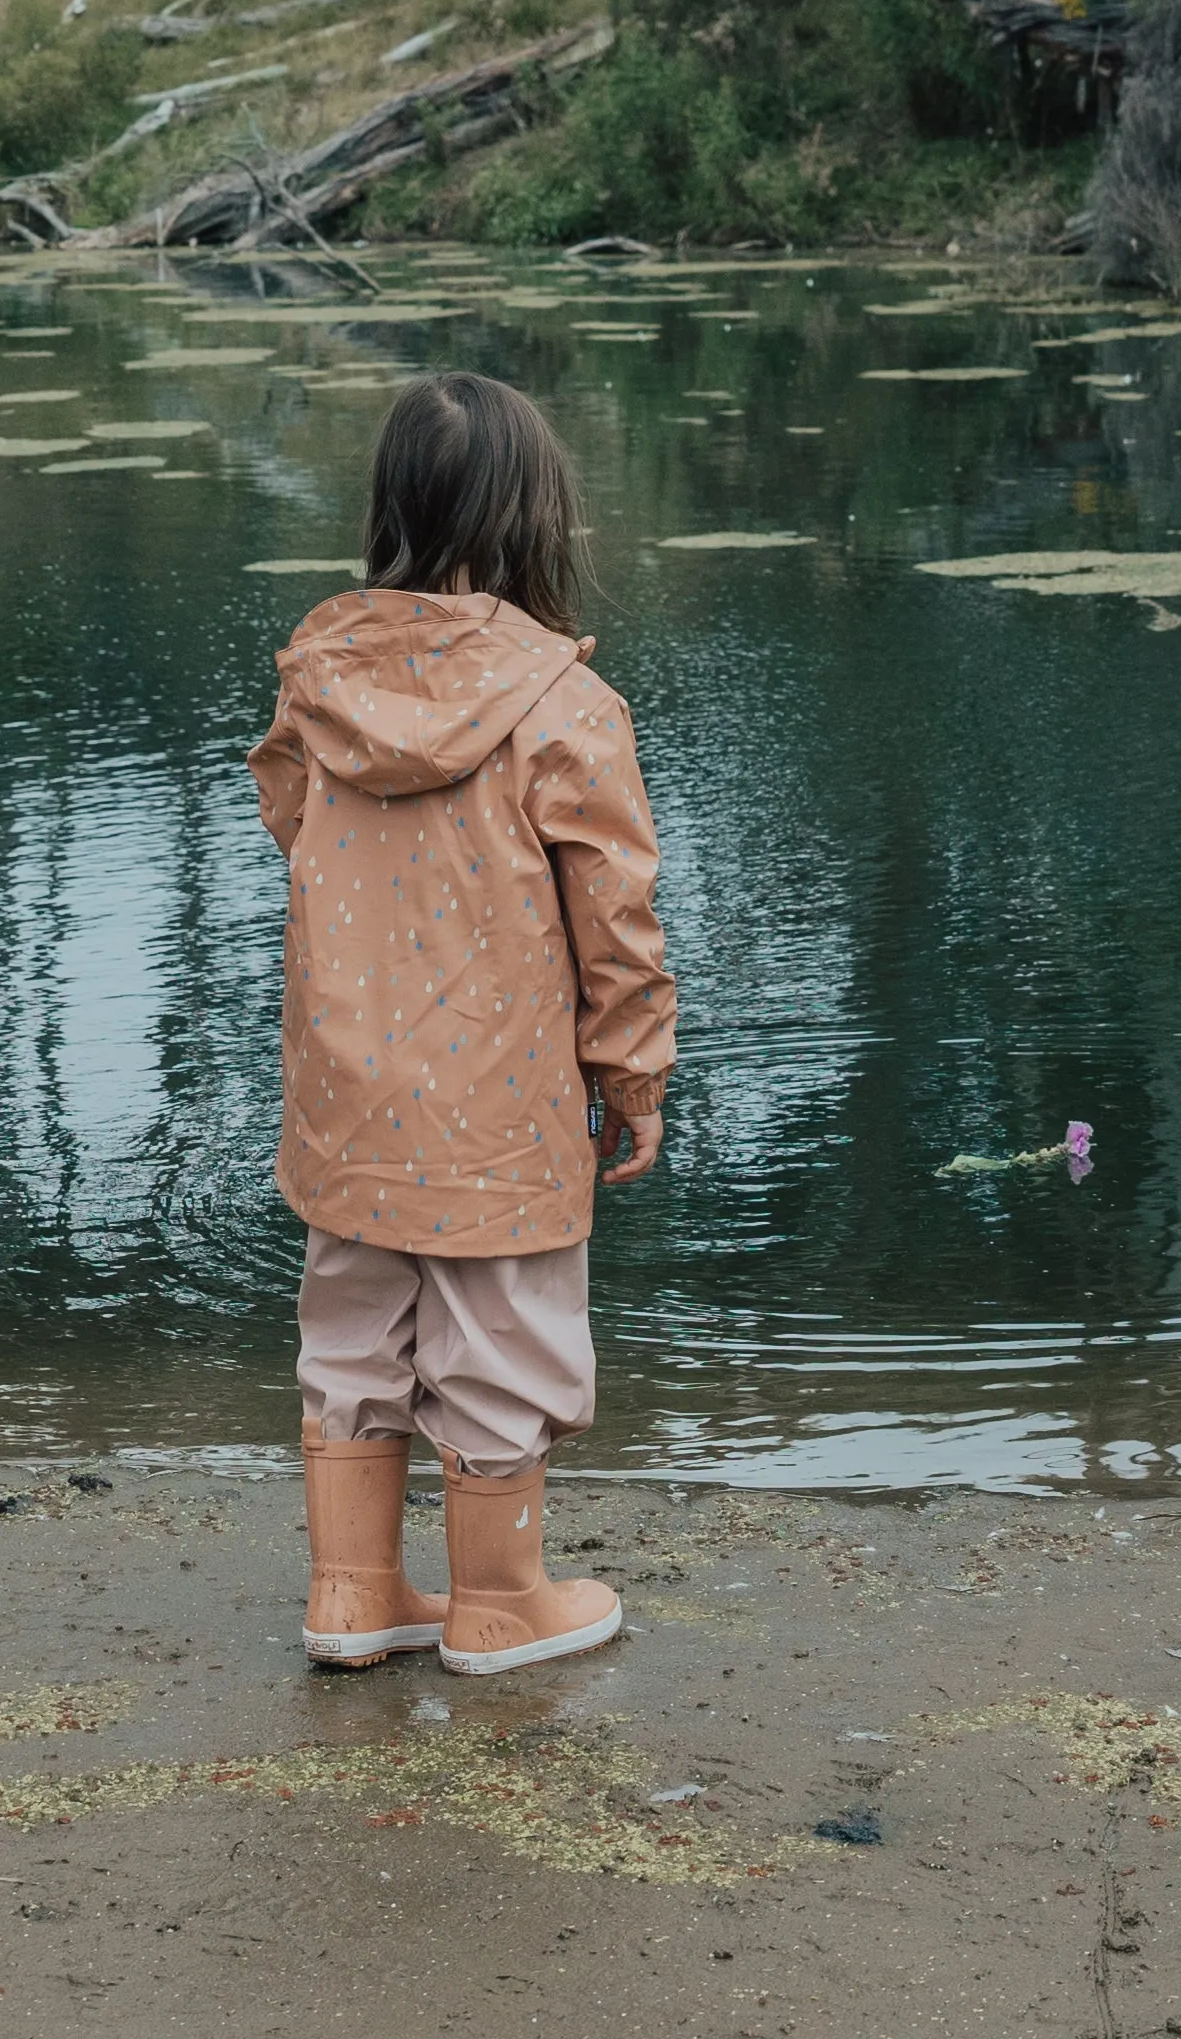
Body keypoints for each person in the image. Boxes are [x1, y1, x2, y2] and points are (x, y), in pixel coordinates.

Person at [251, 369, 670, 1677]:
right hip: (499, 1099)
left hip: (345, 1085)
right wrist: (633, 1073)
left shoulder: (317, 685)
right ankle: (497, 1604)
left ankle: (351, 1591)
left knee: (352, 1321)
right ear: (533, 519)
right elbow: (616, 920)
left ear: (392, 508)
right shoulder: (565, 707)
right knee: (501, 1332)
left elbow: (286, 819)